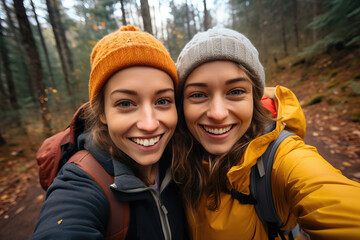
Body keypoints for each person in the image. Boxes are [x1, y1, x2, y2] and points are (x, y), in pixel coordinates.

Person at [172, 27, 360, 239]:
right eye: (198, 94)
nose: (217, 113)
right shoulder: (169, 157)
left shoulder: (283, 159)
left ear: (254, 99)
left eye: (235, 92)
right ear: (181, 105)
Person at [31, 25, 187, 239]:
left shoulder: (185, 159)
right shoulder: (81, 182)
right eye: (125, 103)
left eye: (162, 101)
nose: (150, 124)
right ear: (102, 112)